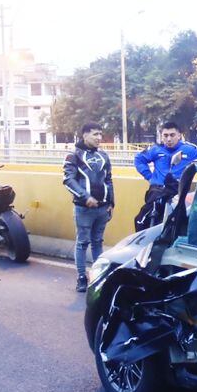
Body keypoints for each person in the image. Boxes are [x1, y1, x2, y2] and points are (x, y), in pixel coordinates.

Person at [132, 121, 197, 230]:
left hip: (177, 192)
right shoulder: (155, 149)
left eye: (172, 135)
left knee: (182, 224)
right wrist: (149, 177)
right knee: (142, 220)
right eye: (165, 135)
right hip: (157, 192)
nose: (169, 139)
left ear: (179, 135)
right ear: (161, 136)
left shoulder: (189, 149)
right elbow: (138, 159)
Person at [64, 123, 115, 292]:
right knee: (82, 243)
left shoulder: (103, 156)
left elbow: (109, 180)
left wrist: (111, 203)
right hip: (84, 208)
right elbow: (68, 180)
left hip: (102, 208)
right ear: (84, 135)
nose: (99, 138)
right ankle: (81, 277)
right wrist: (85, 197)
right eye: (95, 134)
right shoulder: (73, 156)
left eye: (100, 134)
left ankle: (98, 276)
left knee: (98, 242)